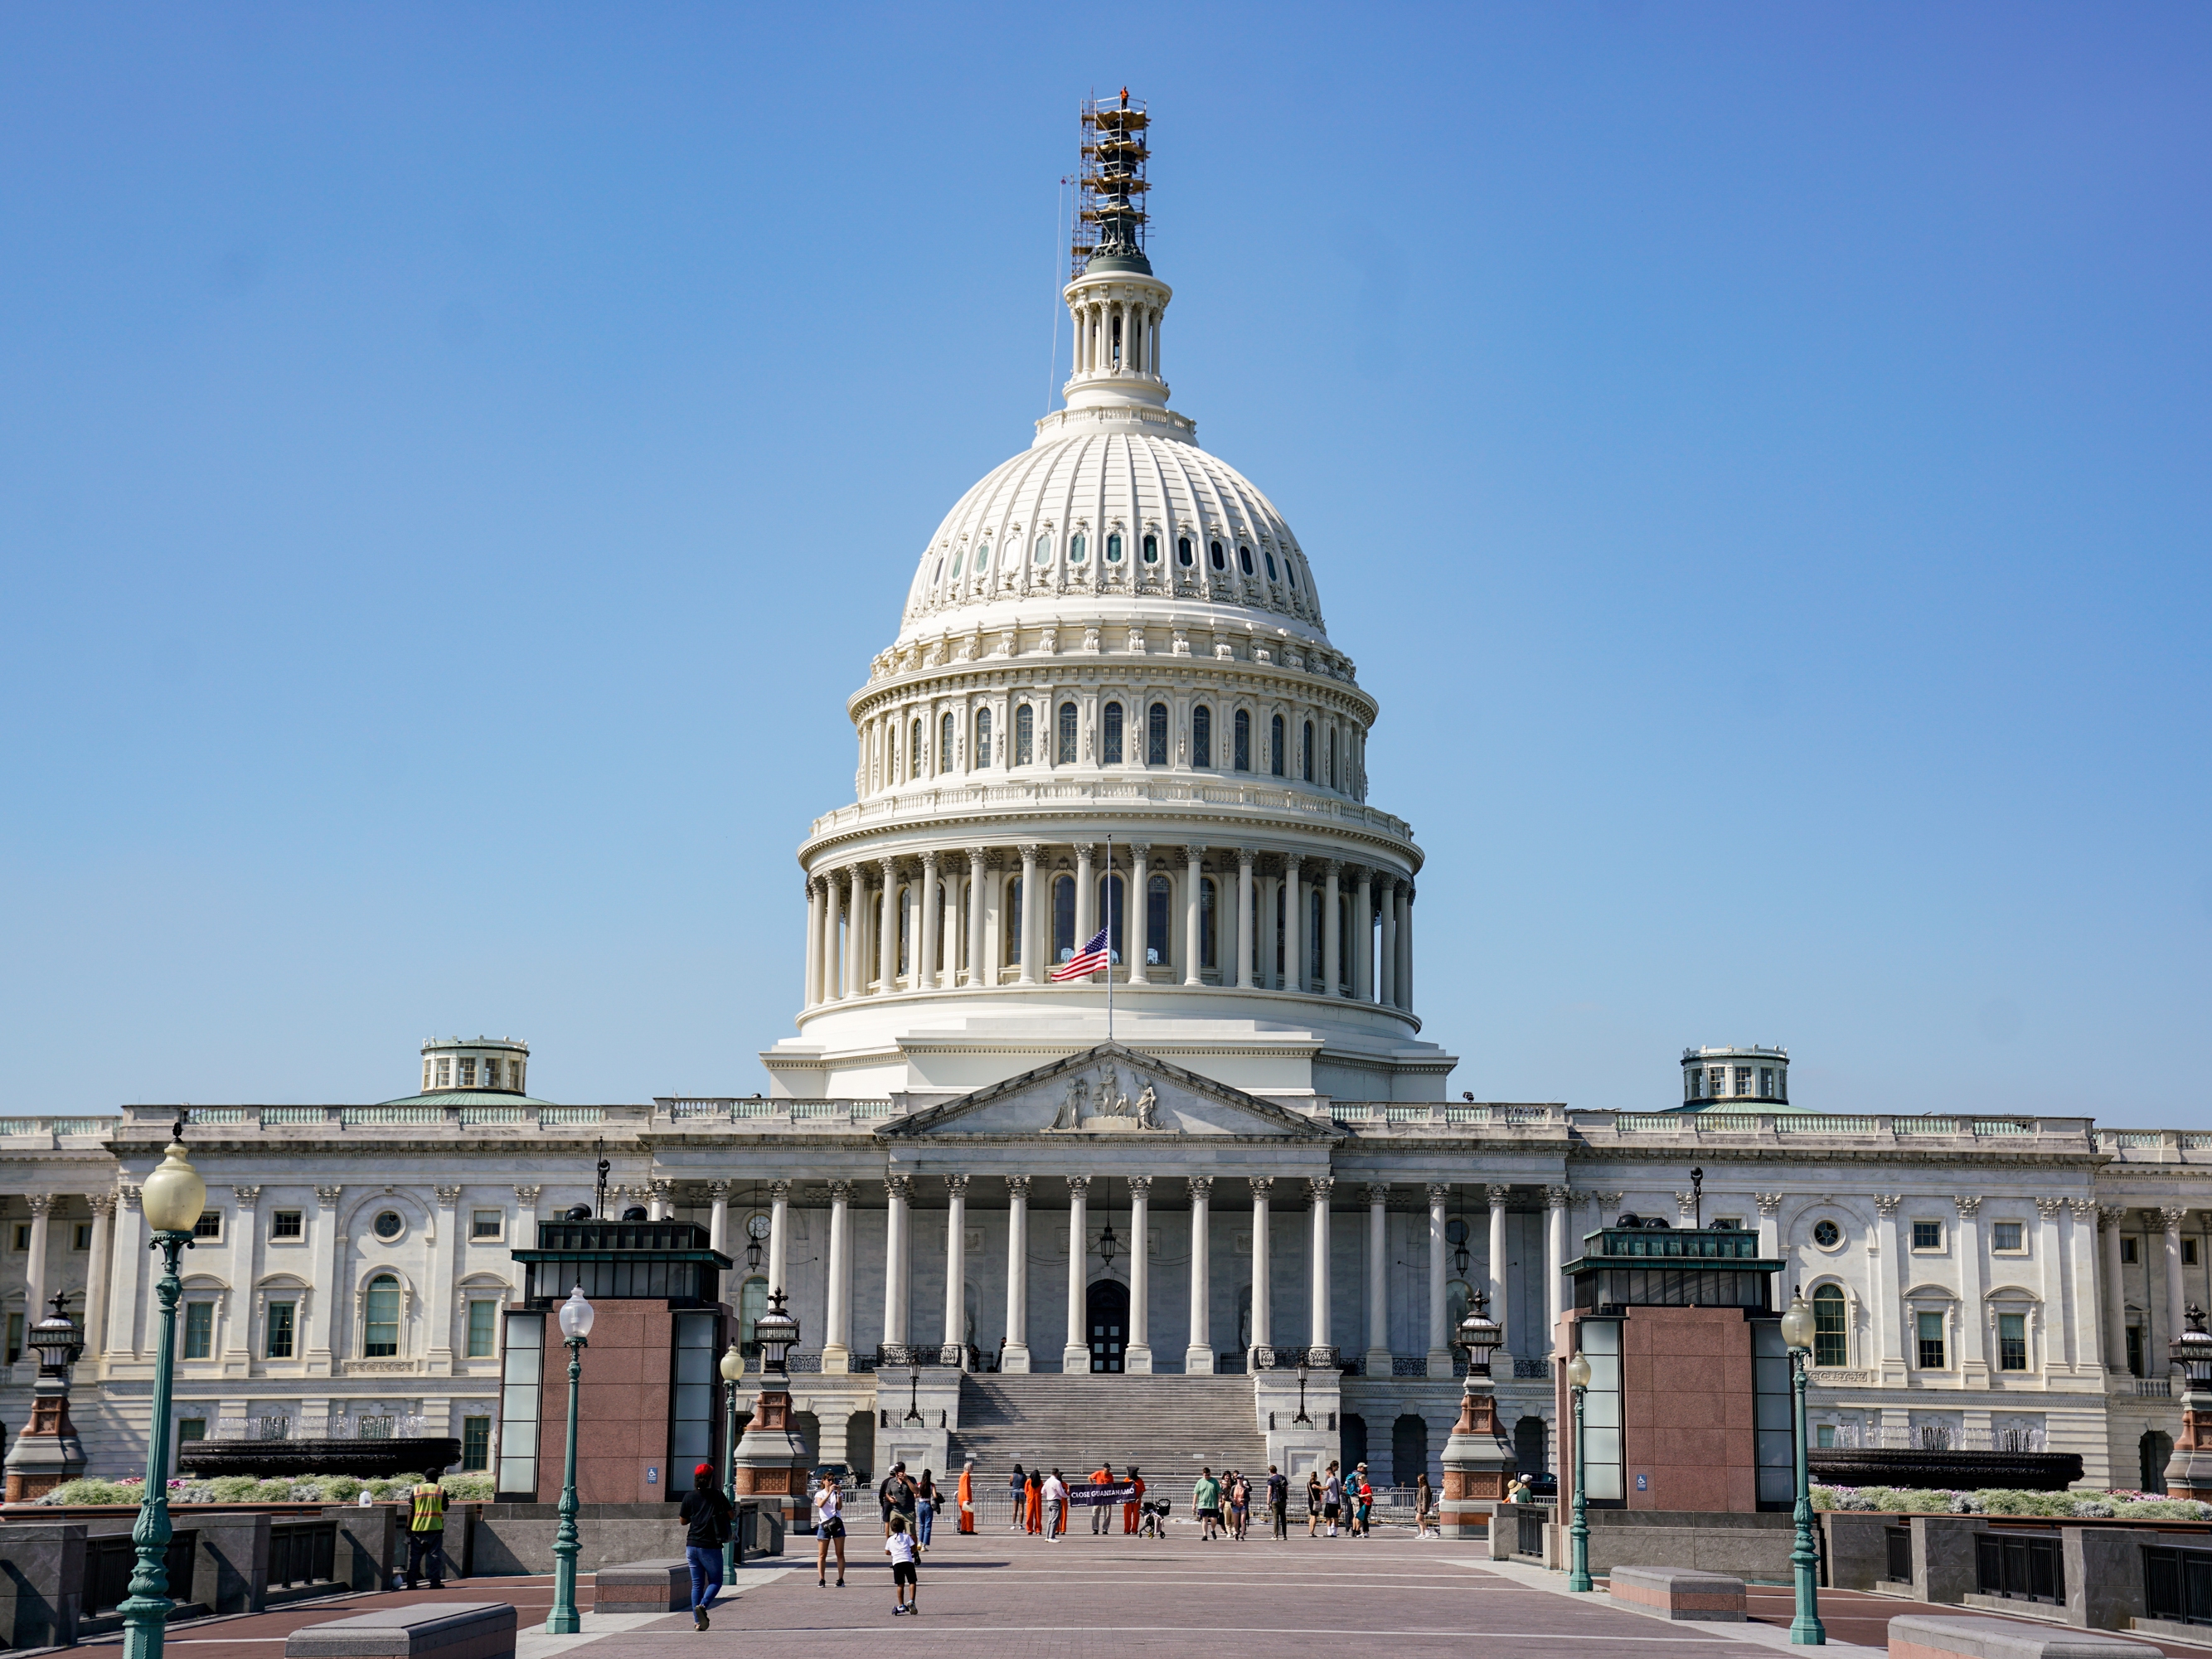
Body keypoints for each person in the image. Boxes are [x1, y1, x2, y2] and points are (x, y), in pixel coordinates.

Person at [677, 1463, 733, 1630]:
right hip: (711, 1546)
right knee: (716, 1580)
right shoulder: (717, 1495)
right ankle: (703, 1606)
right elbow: (730, 1515)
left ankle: (697, 1622)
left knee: (697, 1584)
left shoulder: (689, 1496)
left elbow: (682, 1521)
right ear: (710, 1479)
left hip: (692, 1545)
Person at [402, 1476, 446, 1590]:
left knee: (415, 1557)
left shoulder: (417, 1490)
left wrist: (408, 1527)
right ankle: (435, 1582)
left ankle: (411, 1584)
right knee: (435, 1556)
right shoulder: (440, 1489)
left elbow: (411, 1510)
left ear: (425, 1477)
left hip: (417, 1528)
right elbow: (445, 1507)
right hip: (435, 1527)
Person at [814, 1470, 847, 1586]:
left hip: (836, 1523)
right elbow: (820, 1505)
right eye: (829, 1480)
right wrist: (828, 1493)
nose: (831, 1482)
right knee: (822, 1554)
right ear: (823, 1481)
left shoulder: (837, 1493)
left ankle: (840, 1579)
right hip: (824, 1524)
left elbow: (839, 1508)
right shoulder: (820, 1494)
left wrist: (838, 1494)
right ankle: (822, 1579)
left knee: (840, 1553)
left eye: (833, 1480)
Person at [885, 1512, 920, 1616]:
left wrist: (894, 1553)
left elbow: (887, 1552)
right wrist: (910, 1551)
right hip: (908, 1561)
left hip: (897, 1563)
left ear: (892, 1528)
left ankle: (901, 1604)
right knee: (912, 1581)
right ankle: (912, 1601)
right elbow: (913, 1548)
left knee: (900, 1584)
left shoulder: (890, 1539)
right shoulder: (907, 1537)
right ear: (903, 1527)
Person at [1192, 1466, 1222, 1542]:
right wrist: (1194, 1505)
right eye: (1205, 1475)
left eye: (1208, 1475)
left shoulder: (1214, 1481)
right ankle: (1205, 1535)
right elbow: (1196, 1493)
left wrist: (1220, 1501)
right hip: (1203, 1504)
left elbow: (1219, 1492)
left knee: (1214, 1519)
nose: (1207, 1476)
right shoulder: (1200, 1482)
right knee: (1204, 1519)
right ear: (1203, 1474)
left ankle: (1212, 1529)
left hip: (1213, 1504)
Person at [1042, 1468, 1068, 1540]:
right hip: (1056, 1501)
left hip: (1049, 1501)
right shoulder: (1057, 1482)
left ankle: (1048, 1537)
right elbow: (1061, 1493)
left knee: (1050, 1520)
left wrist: (1049, 1495)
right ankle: (1051, 1537)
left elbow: (1042, 1491)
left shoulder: (1047, 1481)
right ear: (1057, 1473)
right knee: (1054, 1520)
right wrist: (1066, 1496)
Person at [916, 1468, 938, 1550]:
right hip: (928, 1505)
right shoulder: (932, 1485)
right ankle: (924, 1546)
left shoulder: (919, 1484)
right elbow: (935, 1496)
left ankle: (919, 1542)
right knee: (928, 1525)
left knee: (921, 1525)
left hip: (921, 1504)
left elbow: (916, 1495)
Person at [1090, 1458, 1113, 1533]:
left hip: (1107, 1495)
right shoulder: (1098, 1473)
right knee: (1096, 1511)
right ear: (1104, 1468)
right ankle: (1095, 1528)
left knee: (1108, 1512)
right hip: (1098, 1495)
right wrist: (1092, 1485)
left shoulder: (1110, 1475)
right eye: (1107, 1469)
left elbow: (1112, 1484)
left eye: (1109, 1469)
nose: (1108, 1471)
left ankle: (1105, 1528)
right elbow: (1090, 1477)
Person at [1267, 1465, 1288, 1540]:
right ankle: (1284, 1535)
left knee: (1275, 1518)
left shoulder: (1271, 1480)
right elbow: (1286, 1489)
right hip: (1283, 1500)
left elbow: (1269, 1492)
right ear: (1276, 1470)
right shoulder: (1283, 1477)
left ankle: (1275, 1535)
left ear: (1270, 1471)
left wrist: (1268, 1503)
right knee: (1283, 1518)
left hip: (1275, 1500)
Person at [1123, 1466, 1145, 1535]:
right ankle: (1127, 1530)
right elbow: (1122, 1489)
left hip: (1136, 1501)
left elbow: (1142, 1490)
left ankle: (1135, 1530)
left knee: (1136, 1516)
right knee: (1127, 1516)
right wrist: (1129, 1483)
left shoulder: (1140, 1480)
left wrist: (1139, 1498)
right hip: (1128, 1501)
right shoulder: (1126, 1479)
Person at [1322, 1461, 1341, 1537]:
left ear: (1329, 1472)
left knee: (1328, 1516)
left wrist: (1318, 1488)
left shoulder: (1330, 1479)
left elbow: (1327, 1488)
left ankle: (1330, 1531)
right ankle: (1334, 1532)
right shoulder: (1336, 1479)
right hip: (1336, 1500)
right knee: (1335, 1516)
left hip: (1331, 1500)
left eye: (1326, 1472)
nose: (1326, 1474)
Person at [1414, 1470, 1436, 1539]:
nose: (1417, 1480)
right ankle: (1422, 1533)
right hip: (1419, 1506)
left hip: (1421, 1507)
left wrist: (1424, 1507)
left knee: (1417, 1519)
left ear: (1422, 1480)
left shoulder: (1425, 1488)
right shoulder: (1422, 1487)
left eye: (1418, 1479)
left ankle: (1427, 1530)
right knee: (1421, 1520)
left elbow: (1425, 1498)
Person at [957, 1462, 975, 1535]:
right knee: (968, 1514)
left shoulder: (963, 1475)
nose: (973, 1469)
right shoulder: (966, 1476)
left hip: (962, 1497)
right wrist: (967, 1498)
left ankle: (964, 1528)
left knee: (964, 1514)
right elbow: (965, 1488)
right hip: (965, 1497)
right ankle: (969, 1529)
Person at [1009, 1463, 1028, 1531]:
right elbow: (1026, 1484)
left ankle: (1014, 1525)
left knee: (1015, 1509)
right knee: (1021, 1508)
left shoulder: (1012, 1475)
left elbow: (1010, 1484)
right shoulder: (1024, 1475)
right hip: (1022, 1491)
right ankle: (1021, 1525)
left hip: (1015, 1490)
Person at [1306, 1469, 1323, 1538]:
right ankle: (1312, 1532)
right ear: (1316, 1477)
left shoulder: (1308, 1483)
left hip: (1310, 1500)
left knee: (1311, 1516)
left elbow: (1308, 1492)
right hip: (1316, 1500)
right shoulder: (1317, 1483)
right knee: (1315, 1516)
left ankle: (1310, 1531)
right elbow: (1321, 1491)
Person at [1026, 1467, 1044, 1535]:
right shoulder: (1029, 1481)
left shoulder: (1039, 1482)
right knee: (1030, 1515)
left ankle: (1037, 1529)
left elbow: (1026, 1490)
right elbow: (1026, 1490)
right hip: (1033, 1499)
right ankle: (1030, 1529)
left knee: (1038, 1516)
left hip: (1035, 1499)